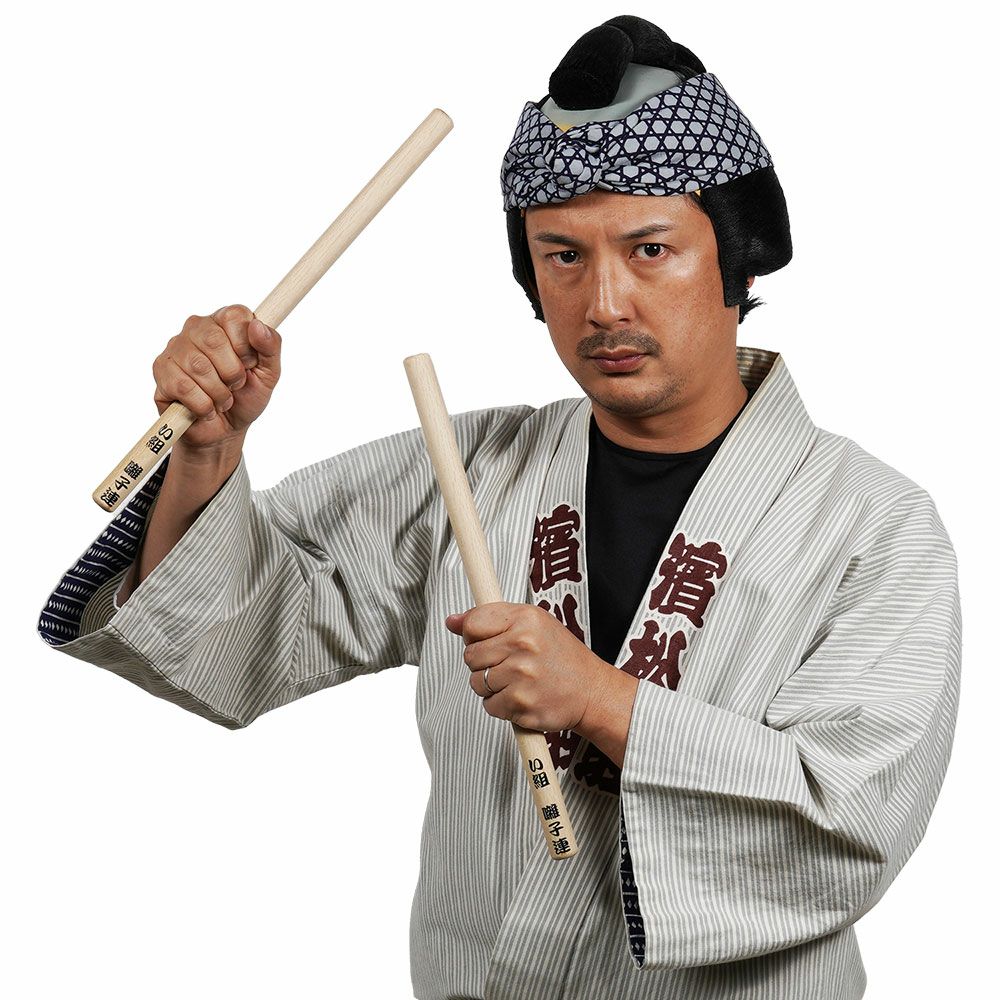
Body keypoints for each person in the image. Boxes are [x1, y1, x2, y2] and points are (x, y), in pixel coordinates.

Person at [37, 15, 961, 1000]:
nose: (603, 303)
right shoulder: (471, 468)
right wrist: (209, 451)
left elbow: (852, 816)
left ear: (741, 259)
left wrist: (600, 700)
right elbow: (245, 635)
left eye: (650, 249)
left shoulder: (874, 527)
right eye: (562, 256)